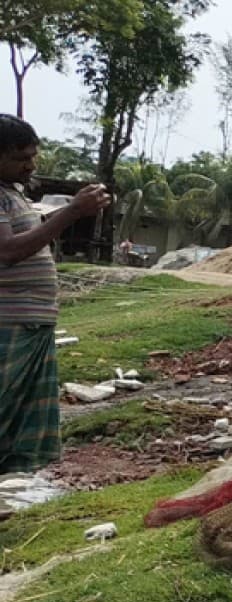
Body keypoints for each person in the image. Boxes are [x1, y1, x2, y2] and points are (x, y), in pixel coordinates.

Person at [0, 114, 112, 477]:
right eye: (20, 158)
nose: (30, 165)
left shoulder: (13, 193)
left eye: (33, 156)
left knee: (14, 423)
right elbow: (9, 251)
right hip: (8, 323)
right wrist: (73, 211)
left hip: (30, 322)